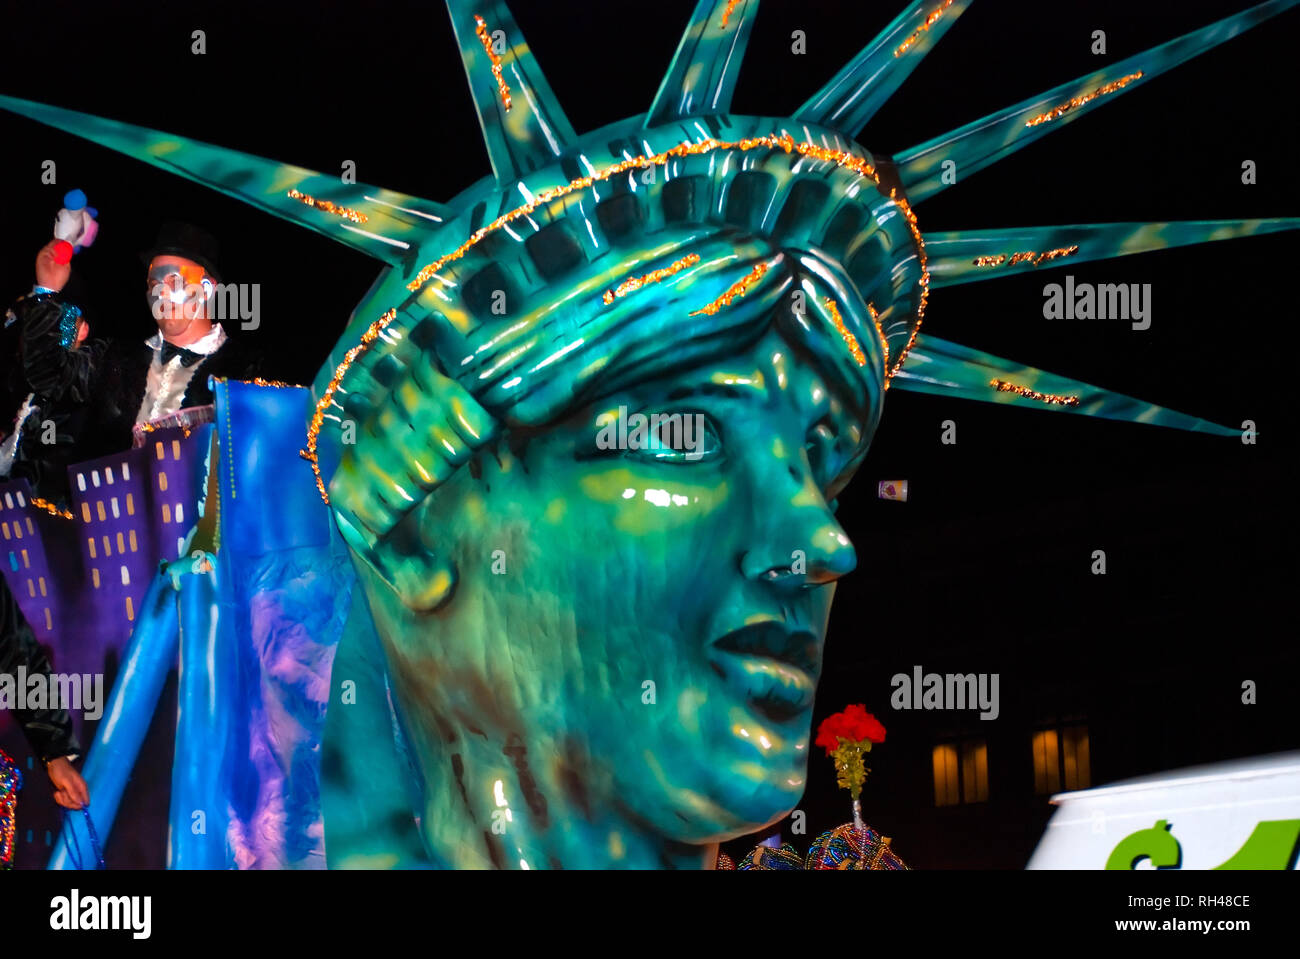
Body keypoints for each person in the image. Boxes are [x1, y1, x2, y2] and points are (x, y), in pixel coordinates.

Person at [33, 221, 261, 458]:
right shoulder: (114, 357)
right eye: (155, 284)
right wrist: (47, 293)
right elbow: (47, 375)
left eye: (175, 281)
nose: (162, 293)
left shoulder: (245, 373)